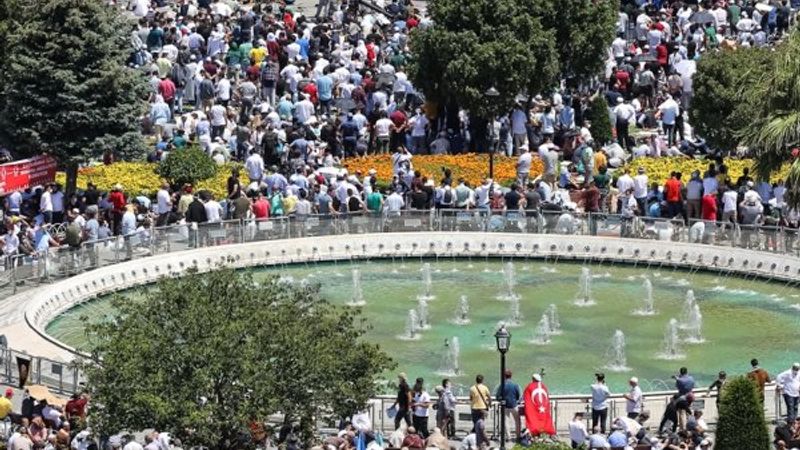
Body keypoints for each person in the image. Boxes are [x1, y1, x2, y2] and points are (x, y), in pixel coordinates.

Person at [495, 369, 522, 441]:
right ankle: (518, 436)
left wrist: (501, 400)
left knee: (506, 421)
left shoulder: (502, 385)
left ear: (504, 376)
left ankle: (508, 436)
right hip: (514, 404)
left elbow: (497, 396)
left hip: (505, 405)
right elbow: (518, 395)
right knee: (517, 420)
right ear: (511, 376)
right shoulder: (515, 385)